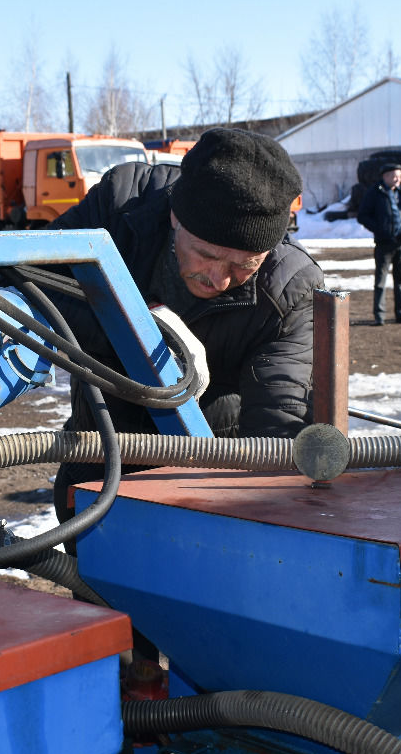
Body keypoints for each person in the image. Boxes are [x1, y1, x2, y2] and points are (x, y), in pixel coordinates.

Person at [46, 127, 323, 522]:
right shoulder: (121, 206)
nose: (219, 279)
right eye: (205, 254)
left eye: (244, 265)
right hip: (97, 463)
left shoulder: (290, 289)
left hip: (208, 481)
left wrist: (269, 517)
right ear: (176, 215)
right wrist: (139, 322)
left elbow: (279, 422)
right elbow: (27, 284)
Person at [356, 162, 401, 325]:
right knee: (381, 282)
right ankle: (379, 316)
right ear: (385, 176)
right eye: (394, 176)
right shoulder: (375, 193)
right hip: (384, 244)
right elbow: (363, 215)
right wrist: (380, 230)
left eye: (399, 176)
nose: (397, 179)